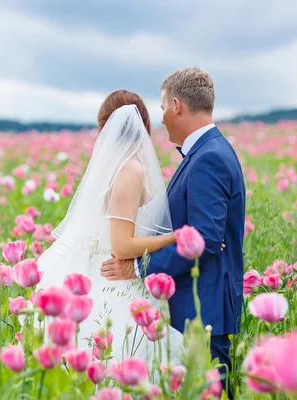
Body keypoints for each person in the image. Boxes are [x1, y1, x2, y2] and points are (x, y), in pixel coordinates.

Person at [100, 67, 246, 397]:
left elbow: (205, 240)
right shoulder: (206, 152)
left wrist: (138, 267)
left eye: (164, 106)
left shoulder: (209, 157)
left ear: (177, 105)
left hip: (203, 309)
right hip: (198, 305)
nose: (162, 116)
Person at [35, 89, 183, 364]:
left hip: (121, 277)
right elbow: (122, 245)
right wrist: (176, 238)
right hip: (117, 283)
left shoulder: (123, 168)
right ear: (144, 125)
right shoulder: (130, 171)